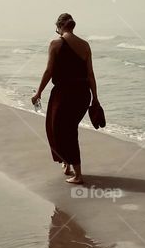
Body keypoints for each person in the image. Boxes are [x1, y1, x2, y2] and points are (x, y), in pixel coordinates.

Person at [32, 13, 98, 185]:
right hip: (83, 94)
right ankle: (67, 164)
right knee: (66, 129)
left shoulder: (55, 44)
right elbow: (90, 74)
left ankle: (78, 174)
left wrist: (38, 92)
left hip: (64, 94)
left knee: (61, 130)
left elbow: (49, 71)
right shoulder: (85, 45)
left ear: (60, 26)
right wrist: (95, 99)